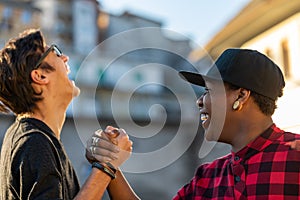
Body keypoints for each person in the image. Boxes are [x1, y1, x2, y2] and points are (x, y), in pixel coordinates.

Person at [92, 48, 300, 199]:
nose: (200, 100)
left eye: (209, 91)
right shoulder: (207, 177)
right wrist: (111, 165)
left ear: (241, 96)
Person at [0, 29, 139, 199]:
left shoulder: (35, 138)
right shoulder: (34, 142)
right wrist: (107, 165)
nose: (65, 57)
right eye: (55, 52)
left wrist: (104, 162)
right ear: (40, 76)